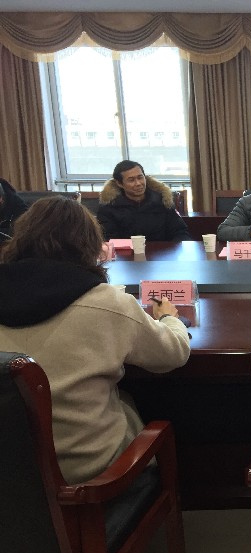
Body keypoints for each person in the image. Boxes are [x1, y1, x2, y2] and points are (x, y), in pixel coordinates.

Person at [0, 195, 191, 484]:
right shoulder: (107, 303)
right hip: (88, 475)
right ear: (89, 244)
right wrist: (170, 318)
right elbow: (172, 354)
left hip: (10, 474)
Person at [97, 160, 191, 241]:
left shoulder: (163, 201)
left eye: (140, 177)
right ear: (119, 183)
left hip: (162, 253)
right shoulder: (109, 208)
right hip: (126, 255)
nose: (138, 183)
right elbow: (108, 239)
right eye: (131, 180)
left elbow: (180, 232)